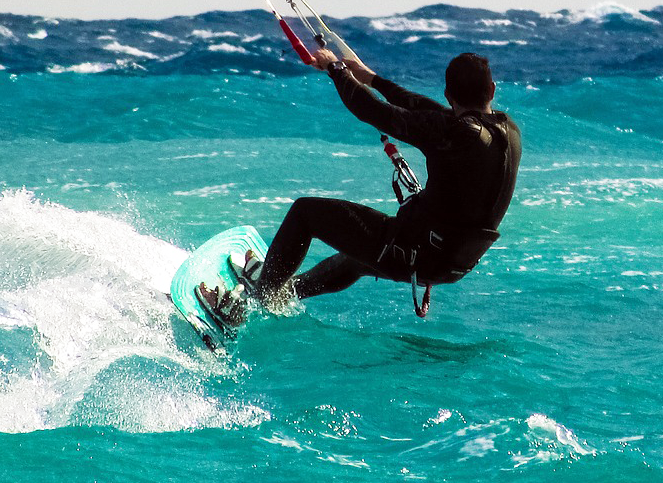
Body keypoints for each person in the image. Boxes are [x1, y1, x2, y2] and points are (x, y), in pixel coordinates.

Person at [201, 49, 521, 324]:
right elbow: (421, 107)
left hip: (415, 252)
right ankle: (285, 291)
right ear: (491, 89)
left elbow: (374, 112)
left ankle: (250, 301)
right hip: (452, 263)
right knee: (358, 257)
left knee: (305, 213)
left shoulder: (453, 132)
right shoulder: (507, 132)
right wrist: (369, 77)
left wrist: (335, 68)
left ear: (449, 96)